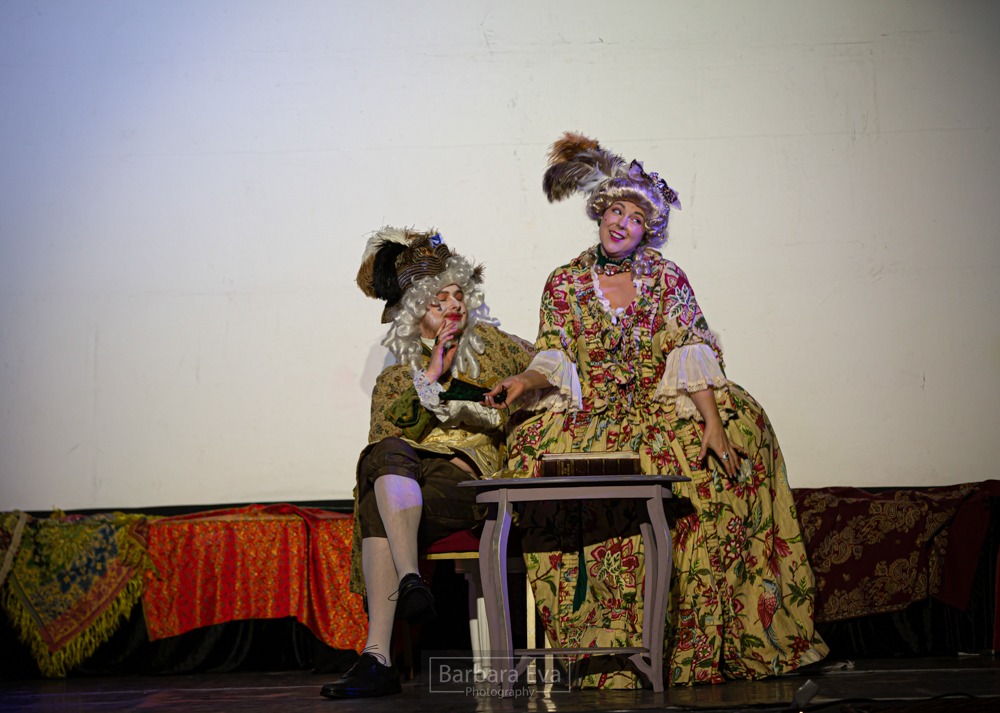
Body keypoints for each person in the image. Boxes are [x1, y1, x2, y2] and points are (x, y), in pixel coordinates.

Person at [484, 132, 828, 687]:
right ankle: (606, 649)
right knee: (543, 461)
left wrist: (712, 423)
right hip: (595, 412)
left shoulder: (665, 277)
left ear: (649, 229)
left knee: (724, 455)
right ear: (600, 212)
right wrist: (521, 382)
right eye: (616, 211)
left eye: (637, 218)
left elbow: (689, 349)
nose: (622, 223)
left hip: (658, 409)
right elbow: (553, 355)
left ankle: (702, 639)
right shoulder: (565, 281)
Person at [321, 227, 534, 699]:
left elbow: (550, 363)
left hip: (470, 486)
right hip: (413, 488)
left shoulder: (498, 347)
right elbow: (387, 440)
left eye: (459, 295)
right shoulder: (399, 377)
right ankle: (409, 585)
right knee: (382, 456)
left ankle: (379, 654)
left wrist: (527, 384)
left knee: (377, 498)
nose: (454, 305)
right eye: (440, 300)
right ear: (417, 311)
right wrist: (432, 374)